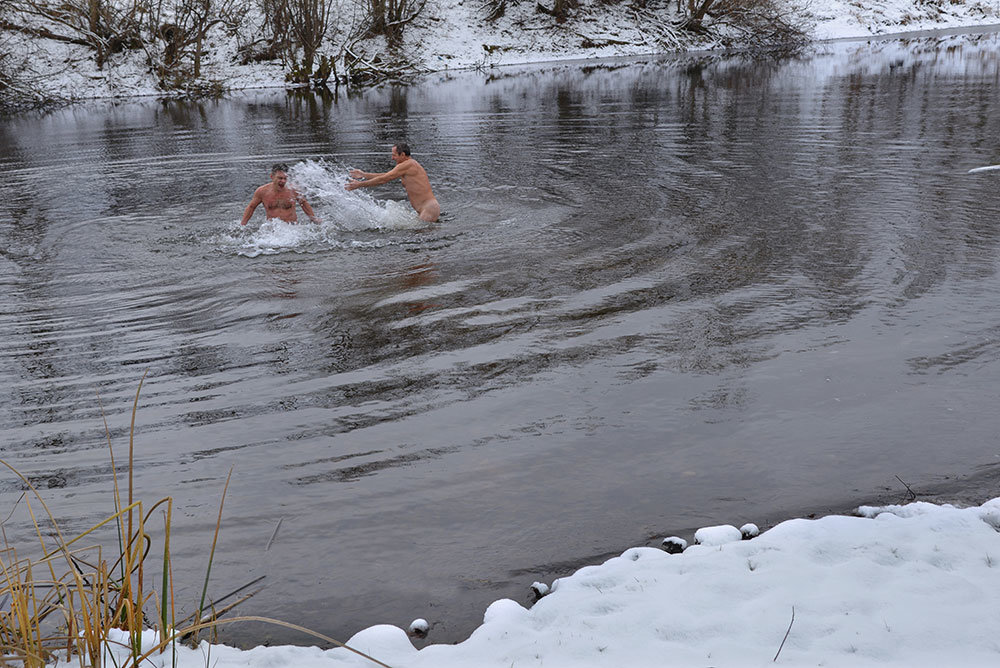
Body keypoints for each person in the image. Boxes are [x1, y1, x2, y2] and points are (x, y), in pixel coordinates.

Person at [345, 143, 441, 222]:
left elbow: (384, 179)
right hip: (426, 209)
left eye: (394, 155)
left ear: (402, 155)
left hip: (429, 209)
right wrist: (364, 175)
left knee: (421, 237)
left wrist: (359, 184)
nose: (392, 158)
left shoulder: (408, 164)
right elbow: (386, 175)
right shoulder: (407, 165)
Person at [241, 163, 319, 225]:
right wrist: (243, 225)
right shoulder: (262, 191)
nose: (283, 181)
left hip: (292, 228)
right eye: (280, 178)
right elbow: (251, 207)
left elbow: (304, 203)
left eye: (285, 178)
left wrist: (313, 218)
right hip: (273, 229)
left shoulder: (293, 190)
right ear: (272, 177)